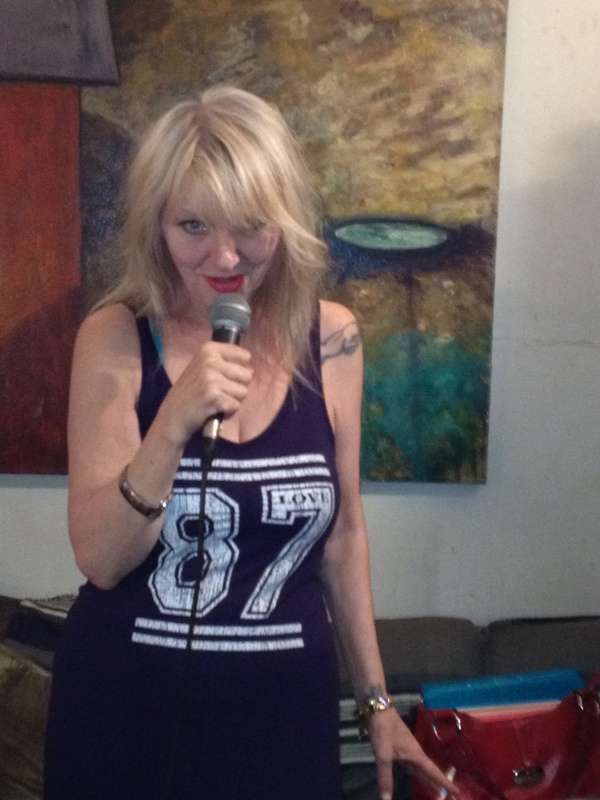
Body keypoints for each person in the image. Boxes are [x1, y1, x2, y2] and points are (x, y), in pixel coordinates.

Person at [43, 85, 456, 800]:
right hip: (124, 719)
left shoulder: (333, 336)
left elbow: (343, 536)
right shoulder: (114, 337)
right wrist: (172, 421)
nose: (225, 255)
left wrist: (377, 702)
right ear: (157, 226)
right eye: (193, 225)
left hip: (282, 727)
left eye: (250, 226)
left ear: (285, 221)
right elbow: (102, 560)